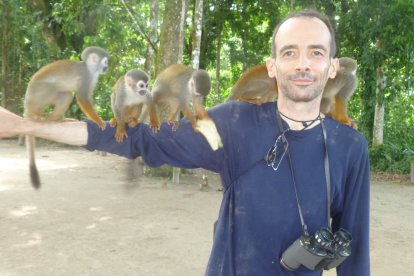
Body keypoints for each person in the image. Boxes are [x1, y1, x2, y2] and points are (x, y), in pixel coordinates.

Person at [0, 9, 370, 276]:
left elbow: (354, 253)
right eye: (290, 52)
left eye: (316, 53)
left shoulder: (348, 147)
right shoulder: (233, 123)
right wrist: (26, 126)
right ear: (272, 66)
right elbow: (141, 140)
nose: (302, 63)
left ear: (332, 68)